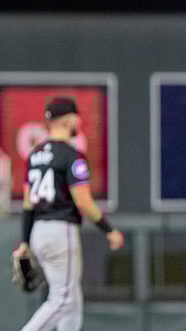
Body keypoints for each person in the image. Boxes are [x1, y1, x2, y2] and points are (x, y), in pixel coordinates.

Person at [14, 97, 125, 331]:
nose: (79, 122)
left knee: (72, 299)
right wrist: (109, 229)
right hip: (59, 231)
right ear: (68, 120)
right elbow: (83, 202)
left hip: (38, 232)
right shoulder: (71, 155)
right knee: (62, 299)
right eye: (76, 118)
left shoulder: (35, 155)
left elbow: (27, 204)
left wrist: (25, 241)